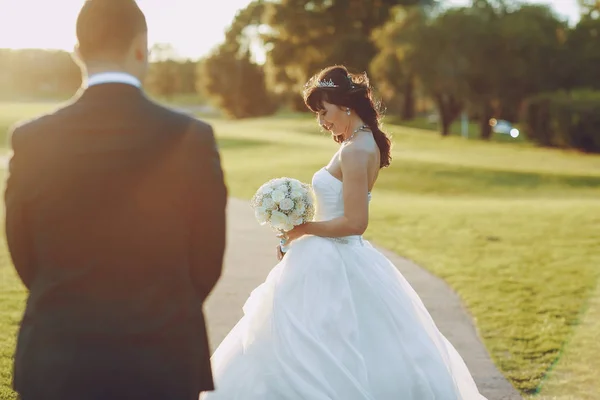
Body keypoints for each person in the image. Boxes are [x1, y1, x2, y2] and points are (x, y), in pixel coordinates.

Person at [201, 65, 487, 400]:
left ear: (345, 105)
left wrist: (301, 229)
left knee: (310, 341)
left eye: (325, 112)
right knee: (333, 340)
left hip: (335, 255)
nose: (322, 122)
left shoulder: (355, 150)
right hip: (335, 253)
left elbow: (355, 222)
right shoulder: (360, 142)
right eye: (318, 115)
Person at [4, 1, 227, 399]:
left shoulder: (32, 139)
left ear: (77, 52)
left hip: (59, 359)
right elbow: (207, 258)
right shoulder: (191, 137)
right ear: (142, 48)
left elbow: (23, 251)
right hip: (163, 359)